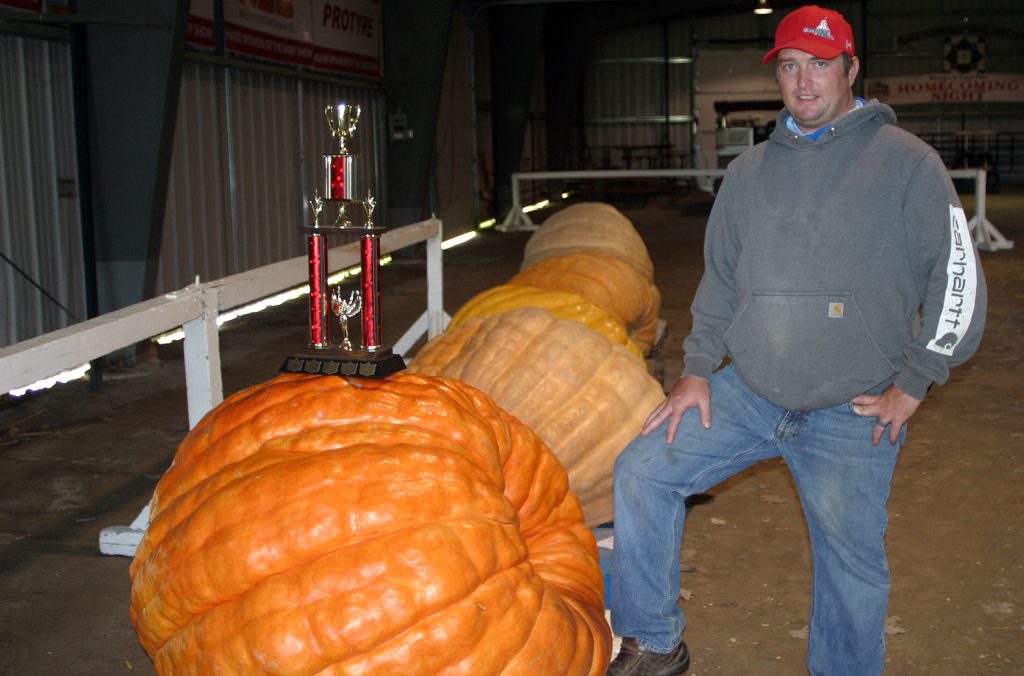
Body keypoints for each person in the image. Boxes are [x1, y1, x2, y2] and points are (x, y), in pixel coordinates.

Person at [607, 5, 987, 675]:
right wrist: (696, 368)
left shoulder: (908, 165)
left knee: (850, 568)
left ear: (851, 68)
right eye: (790, 66)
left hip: (855, 404)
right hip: (750, 390)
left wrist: (918, 379)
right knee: (644, 469)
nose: (804, 81)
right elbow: (722, 278)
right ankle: (654, 640)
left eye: (819, 64)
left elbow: (957, 278)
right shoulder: (750, 174)